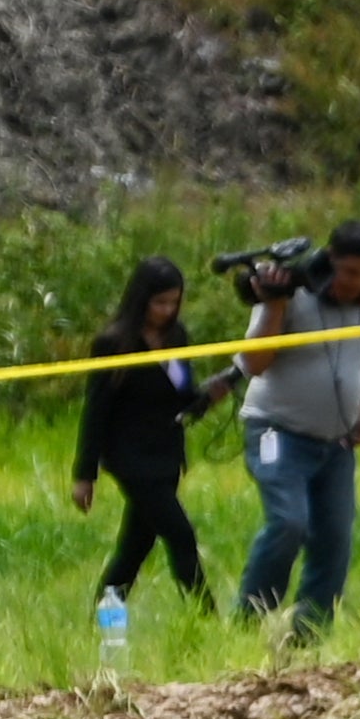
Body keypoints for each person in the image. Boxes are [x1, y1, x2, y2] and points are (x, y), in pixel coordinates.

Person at [235, 216, 360, 636]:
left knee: (334, 539)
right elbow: (254, 364)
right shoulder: (293, 295)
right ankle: (249, 620)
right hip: (275, 432)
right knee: (288, 522)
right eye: (349, 272)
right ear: (329, 260)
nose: (357, 282)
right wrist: (276, 303)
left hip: (336, 444)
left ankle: (310, 635)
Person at [69, 256, 219, 613]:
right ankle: (208, 618)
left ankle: (103, 618)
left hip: (166, 453)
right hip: (130, 458)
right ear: (141, 299)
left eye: (174, 302)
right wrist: (84, 474)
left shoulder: (177, 337)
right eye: (160, 302)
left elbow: (183, 391)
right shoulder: (114, 343)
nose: (167, 311)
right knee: (181, 536)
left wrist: (210, 394)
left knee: (134, 548)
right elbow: (96, 410)